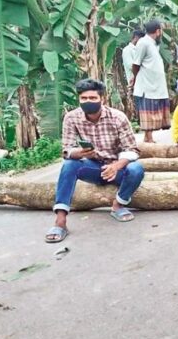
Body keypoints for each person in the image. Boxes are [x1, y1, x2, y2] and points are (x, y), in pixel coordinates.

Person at [45, 79, 144, 243]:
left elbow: (132, 150)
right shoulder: (71, 118)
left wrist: (116, 166)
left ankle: (118, 205)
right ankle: (60, 221)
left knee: (136, 169)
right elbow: (67, 150)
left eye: (92, 98)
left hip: (117, 169)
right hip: (92, 167)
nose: (88, 102)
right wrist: (81, 153)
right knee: (69, 165)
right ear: (79, 99)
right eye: (84, 98)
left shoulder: (118, 118)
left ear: (102, 99)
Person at [131, 19, 170, 143]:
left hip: (156, 85)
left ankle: (148, 137)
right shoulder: (143, 42)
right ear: (158, 31)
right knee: (148, 109)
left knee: (153, 109)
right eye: (161, 31)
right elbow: (136, 64)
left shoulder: (153, 44)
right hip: (146, 84)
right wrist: (136, 77)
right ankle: (148, 137)